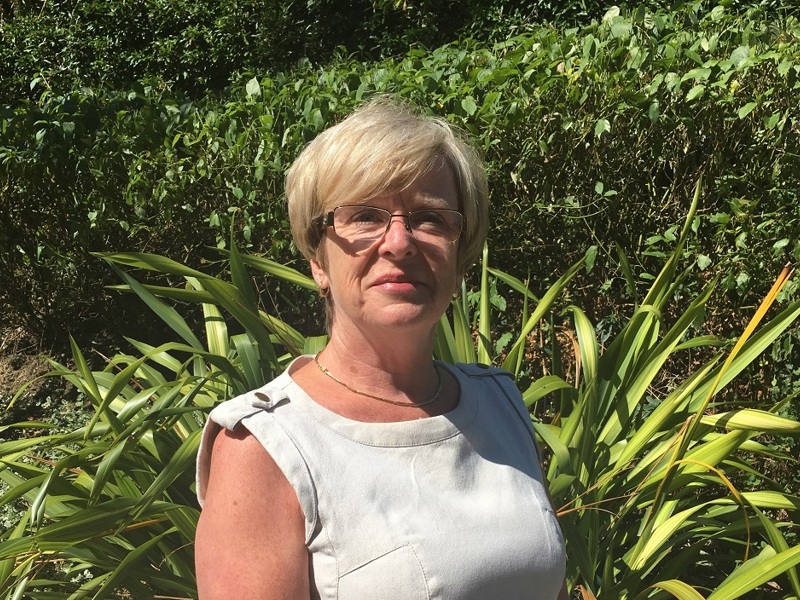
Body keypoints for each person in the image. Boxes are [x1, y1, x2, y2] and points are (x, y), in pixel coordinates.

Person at [194, 97, 568, 599]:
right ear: (318, 260)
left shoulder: (499, 401)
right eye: (365, 216)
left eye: (430, 219)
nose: (399, 242)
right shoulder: (265, 446)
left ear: (460, 258)